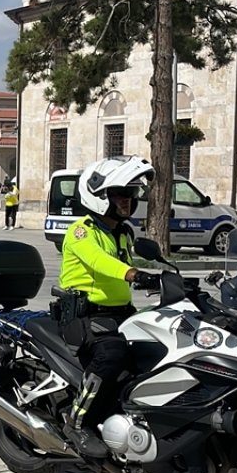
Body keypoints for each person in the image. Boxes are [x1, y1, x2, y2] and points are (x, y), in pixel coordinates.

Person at [58, 156, 159, 457]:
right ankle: (76, 422)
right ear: (100, 196)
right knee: (112, 355)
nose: (128, 200)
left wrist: (171, 272)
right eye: (120, 194)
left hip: (119, 313)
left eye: (131, 194)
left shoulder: (123, 232)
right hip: (85, 315)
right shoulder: (81, 231)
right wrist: (133, 274)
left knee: (157, 346)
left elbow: (134, 260)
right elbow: (101, 263)